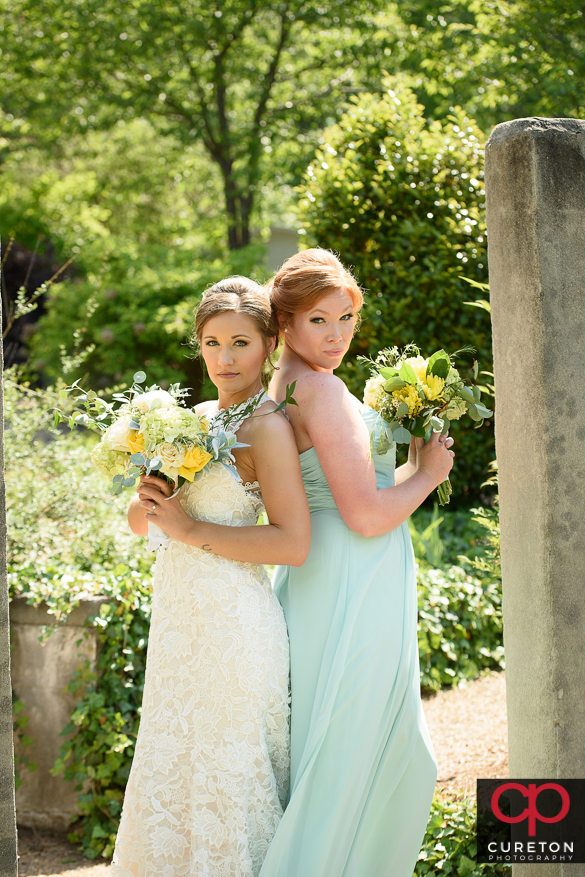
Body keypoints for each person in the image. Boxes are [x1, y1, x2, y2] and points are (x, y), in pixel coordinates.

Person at [259, 249, 454, 877]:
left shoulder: (284, 382)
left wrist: (403, 467)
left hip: (323, 572)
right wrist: (427, 474)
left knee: (332, 741)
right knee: (354, 748)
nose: (337, 336)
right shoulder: (319, 387)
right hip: (353, 575)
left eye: (346, 319)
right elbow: (368, 516)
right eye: (320, 320)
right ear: (284, 323)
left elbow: (346, 491)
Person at [110, 277, 311, 877]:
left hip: (234, 624)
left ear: (270, 343)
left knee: (227, 773)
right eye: (213, 343)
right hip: (179, 622)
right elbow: (140, 524)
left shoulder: (268, 427)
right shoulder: (189, 421)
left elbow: (293, 543)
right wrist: (149, 495)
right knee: (176, 763)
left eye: (241, 343)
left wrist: (190, 529)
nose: (225, 358)